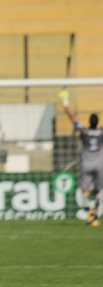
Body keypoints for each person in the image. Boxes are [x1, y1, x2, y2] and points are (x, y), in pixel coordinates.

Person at [60, 89, 103, 226]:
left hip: (86, 164)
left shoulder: (84, 131)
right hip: (99, 164)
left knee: (85, 191)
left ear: (89, 122)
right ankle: (94, 214)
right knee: (98, 191)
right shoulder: (101, 132)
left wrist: (65, 102)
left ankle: (90, 210)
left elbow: (72, 118)